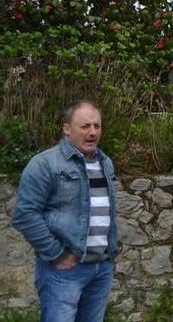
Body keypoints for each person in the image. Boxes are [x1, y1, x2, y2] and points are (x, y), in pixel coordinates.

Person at [11, 100, 117, 322]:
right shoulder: (44, 164)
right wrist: (56, 254)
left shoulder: (105, 163)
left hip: (101, 269)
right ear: (66, 129)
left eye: (97, 126)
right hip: (63, 270)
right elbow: (24, 214)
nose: (93, 132)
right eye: (85, 126)